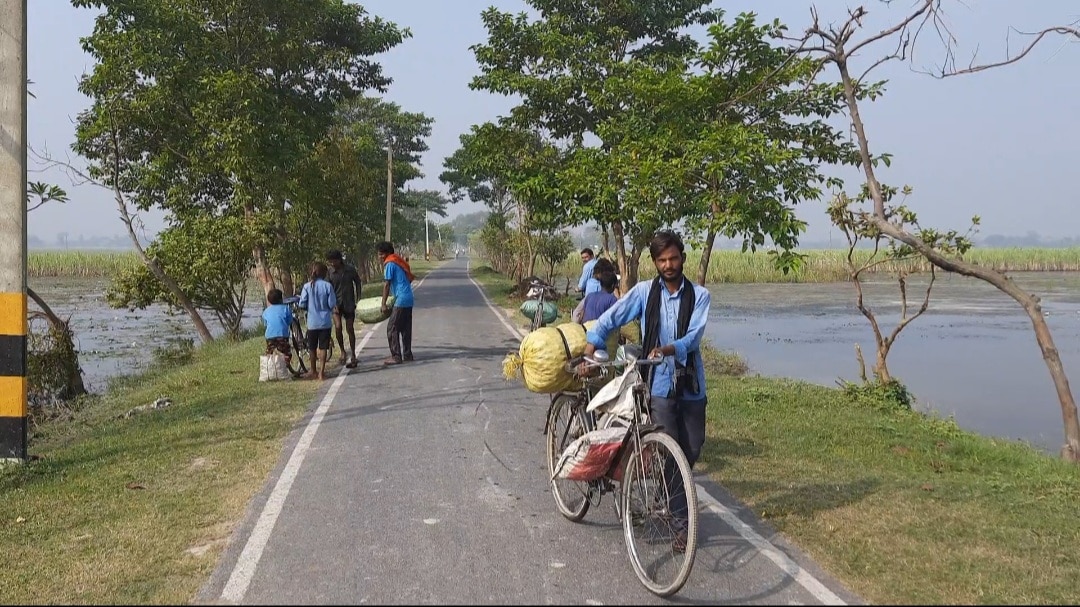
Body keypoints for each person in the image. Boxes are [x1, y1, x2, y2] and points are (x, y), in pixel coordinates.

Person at [580, 230, 710, 553]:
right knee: (670, 448)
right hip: (659, 386)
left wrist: (668, 348)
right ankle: (681, 524)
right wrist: (593, 341)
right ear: (655, 262)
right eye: (662, 260)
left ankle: (665, 495)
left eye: (674, 258)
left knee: (691, 450)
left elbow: (693, 338)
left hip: (691, 385)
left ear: (683, 258)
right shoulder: (643, 292)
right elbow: (613, 316)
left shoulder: (700, 296)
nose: (669, 265)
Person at [377, 241, 415, 365]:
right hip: (408, 297)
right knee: (405, 328)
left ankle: (396, 356)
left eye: (381, 254)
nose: (380, 257)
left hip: (401, 299)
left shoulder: (390, 264)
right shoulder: (398, 260)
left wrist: (383, 304)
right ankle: (407, 354)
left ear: (387, 253)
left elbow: (387, 285)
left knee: (392, 328)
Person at [298, 261, 337, 380]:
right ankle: (322, 372)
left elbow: (302, 303)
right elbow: (332, 304)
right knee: (323, 347)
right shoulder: (327, 286)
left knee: (312, 348)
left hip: (312, 323)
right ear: (324, 273)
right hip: (325, 322)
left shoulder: (306, 286)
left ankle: (313, 371)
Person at [326, 249, 362, 369]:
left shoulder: (350, 269)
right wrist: (331, 303)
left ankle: (353, 353)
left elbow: (358, 282)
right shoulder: (329, 273)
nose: (332, 264)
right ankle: (342, 351)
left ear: (339, 260)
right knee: (337, 327)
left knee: (350, 328)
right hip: (336, 304)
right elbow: (328, 289)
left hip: (349, 303)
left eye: (334, 261)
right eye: (330, 261)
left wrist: (359, 298)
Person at [262, 288, 293, 370]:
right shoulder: (286, 308)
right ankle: (283, 369)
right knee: (286, 352)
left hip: (269, 336)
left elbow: (265, 324)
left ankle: (270, 369)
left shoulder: (266, 311)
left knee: (270, 352)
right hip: (282, 335)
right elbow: (290, 321)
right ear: (281, 299)